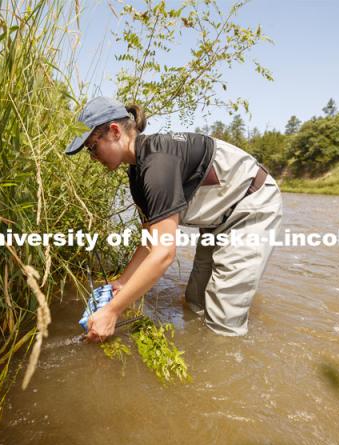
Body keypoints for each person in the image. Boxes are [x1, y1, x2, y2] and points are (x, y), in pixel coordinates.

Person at [65, 96, 282, 342]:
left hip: (251, 204)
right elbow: (149, 240)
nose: (92, 156)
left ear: (114, 131)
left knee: (224, 313)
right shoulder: (137, 174)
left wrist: (113, 312)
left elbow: (163, 253)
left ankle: (224, 361)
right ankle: (201, 347)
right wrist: (123, 283)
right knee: (196, 300)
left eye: (92, 147)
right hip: (217, 220)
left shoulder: (157, 165)